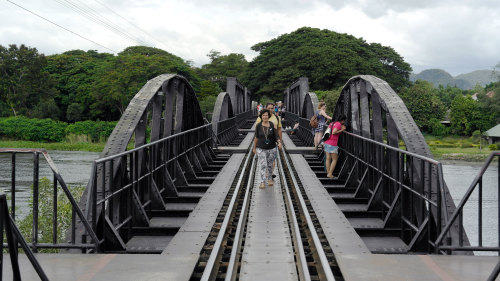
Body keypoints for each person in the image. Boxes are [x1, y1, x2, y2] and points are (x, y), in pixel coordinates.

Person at [253, 109, 282, 188]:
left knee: (270, 165)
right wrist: (254, 148)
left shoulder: (272, 124)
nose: (265, 117)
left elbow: (276, 135)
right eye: (263, 115)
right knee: (263, 164)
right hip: (261, 148)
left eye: (266, 115)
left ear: (268, 116)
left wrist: (279, 142)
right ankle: (262, 181)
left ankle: (269, 179)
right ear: (261, 117)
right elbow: (256, 137)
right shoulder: (258, 126)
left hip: (271, 148)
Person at [324, 114, 347, 179]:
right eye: (344, 120)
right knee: (334, 159)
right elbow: (334, 132)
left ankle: (328, 173)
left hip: (327, 142)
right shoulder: (338, 124)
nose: (344, 122)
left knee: (328, 158)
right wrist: (342, 130)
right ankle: (330, 174)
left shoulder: (332, 123)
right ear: (342, 120)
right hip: (332, 143)